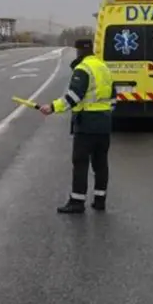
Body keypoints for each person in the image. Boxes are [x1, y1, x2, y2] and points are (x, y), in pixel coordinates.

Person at [39, 39, 116, 214]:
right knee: (101, 163)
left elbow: (73, 96)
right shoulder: (104, 68)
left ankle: (77, 201)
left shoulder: (83, 69)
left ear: (79, 51)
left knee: (81, 162)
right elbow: (113, 98)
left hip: (87, 123)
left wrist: (52, 107)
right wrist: (105, 113)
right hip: (104, 123)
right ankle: (100, 200)